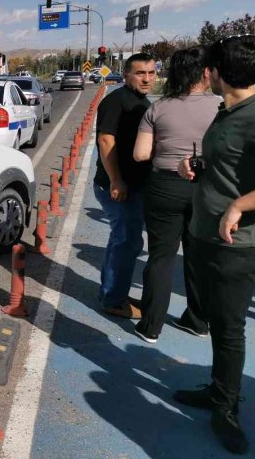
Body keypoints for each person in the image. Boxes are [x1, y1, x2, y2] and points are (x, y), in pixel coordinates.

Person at [172, 35, 255, 455]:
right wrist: (196, 164)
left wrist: (239, 206)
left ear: (220, 73)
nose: (205, 75)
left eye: (209, 69)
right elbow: (231, 160)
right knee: (213, 318)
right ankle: (216, 388)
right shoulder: (227, 110)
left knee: (229, 328)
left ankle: (225, 409)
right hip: (204, 234)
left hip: (237, 244)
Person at [131, 47, 220, 343]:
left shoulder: (158, 108)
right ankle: (197, 320)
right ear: (205, 73)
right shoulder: (221, 106)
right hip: (207, 188)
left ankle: (151, 325)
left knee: (161, 256)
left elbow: (141, 154)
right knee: (198, 256)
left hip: (165, 187)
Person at [93, 52, 156, 318]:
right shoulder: (116, 101)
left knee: (121, 240)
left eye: (151, 73)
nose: (147, 78)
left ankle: (112, 292)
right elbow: (106, 141)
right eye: (140, 73)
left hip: (134, 184)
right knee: (128, 241)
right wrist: (116, 180)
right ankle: (113, 299)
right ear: (127, 74)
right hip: (118, 185)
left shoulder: (143, 101)